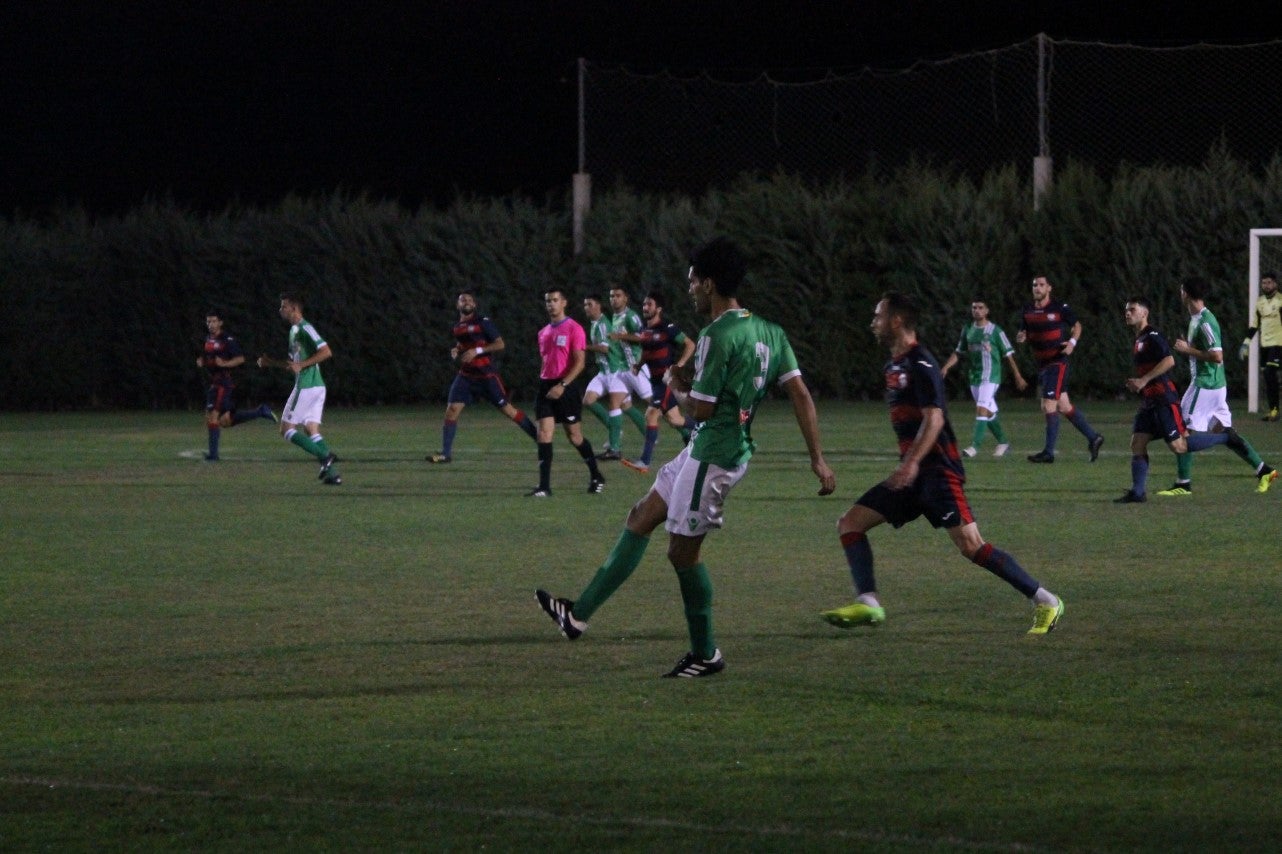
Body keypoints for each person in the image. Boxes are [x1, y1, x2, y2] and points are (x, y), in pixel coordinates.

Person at [535, 237, 836, 678]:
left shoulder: (717, 334)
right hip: (708, 448)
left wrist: (675, 384)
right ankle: (577, 615)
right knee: (641, 516)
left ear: (710, 283)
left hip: (715, 453)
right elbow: (801, 395)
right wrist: (818, 459)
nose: (690, 288)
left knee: (682, 554)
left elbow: (702, 408)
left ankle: (705, 653)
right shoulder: (770, 331)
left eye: (693, 281)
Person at [820, 292, 1064, 636]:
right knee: (849, 524)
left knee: (971, 546)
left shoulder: (921, 363)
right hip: (912, 476)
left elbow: (934, 419)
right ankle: (869, 602)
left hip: (937, 472)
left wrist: (912, 463)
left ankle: (1046, 601)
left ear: (896, 321)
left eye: (878, 316)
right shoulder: (893, 365)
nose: (873, 322)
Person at [1160, 277, 1277, 495]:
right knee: (1227, 432)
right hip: (1214, 385)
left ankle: (1183, 484)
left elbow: (1217, 356)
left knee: (1184, 431)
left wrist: (1188, 350)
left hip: (1205, 386)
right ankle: (1264, 470)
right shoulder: (1196, 318)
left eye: (1181, 290)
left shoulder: (1205, 321)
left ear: (1186, 293)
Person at [425, 290, 537, 463]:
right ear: (458, 305)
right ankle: (446, 454)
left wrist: (476, 351)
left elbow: (500, 344)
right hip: (466, 376)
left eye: (469, 299)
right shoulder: (457, 327)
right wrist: (457, 349)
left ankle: (541, 441)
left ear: (474, 305)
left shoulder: (483, 322)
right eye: (463, 300)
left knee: (509, 411)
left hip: (487, 376)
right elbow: (464, 344)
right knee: (451, 411)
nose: (466, 302)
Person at [256, 292, 343, 485]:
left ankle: (325, 456)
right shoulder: (294, 331)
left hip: (307, 386)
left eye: (283, 306)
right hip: (314, 386)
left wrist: (302, 366)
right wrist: (270, 363)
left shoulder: (305, 328)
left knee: (286, 429)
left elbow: (326, 351)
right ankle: (333, 475)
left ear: (294, 308)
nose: (280, 310)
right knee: (311, 429)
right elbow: (294, 364)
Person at [1017, 275, 1105, 463]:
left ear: (1049, 288)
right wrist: (1022, 336)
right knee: (1064, 406)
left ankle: (1049, 453)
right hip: (1042, 364)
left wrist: (1072, 342)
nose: (1037, 288)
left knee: (1048, 405)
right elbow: (1024, 330)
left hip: (1057, 362)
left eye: (1041, 285)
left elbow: (1077, 326)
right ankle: (1093, 437)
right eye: (1034, 285)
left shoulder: (1059, 308)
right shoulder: (1027, 310)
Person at [528, 287, 606, 497]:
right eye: (548, 301)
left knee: (574, 436)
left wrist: (562, 386)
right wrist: (548, 383)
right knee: (544, 434)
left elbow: (580, 363)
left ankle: (596, 475)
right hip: (546, 386)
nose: (551, 304)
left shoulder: (574, 328)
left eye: (554, 300)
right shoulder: (543, 332)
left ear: (564, 303)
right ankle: (544, 486)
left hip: (566, 387)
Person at [613, 290, 697, 473]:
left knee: (651, 414)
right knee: (675, 420)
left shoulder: (667, 328)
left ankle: (645, 462)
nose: (645, 307)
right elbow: (647, 350)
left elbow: (690, 344)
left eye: (649, 304)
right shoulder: (645, 330)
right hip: (655, 381)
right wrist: (639, 364)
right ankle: (702, 430)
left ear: (658, 308)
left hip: (666, 380)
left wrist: (679, 364)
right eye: (644, 304)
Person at [1113, 298, 1188, 504]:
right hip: (1149, 400)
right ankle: (1138, 493)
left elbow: (1170, 360)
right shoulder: (1139, 338)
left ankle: (1225, 438)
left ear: (1144, 313)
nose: (1127, 313)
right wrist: (1139, 382)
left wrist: (1144, 380)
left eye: (1132, 310)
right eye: (1126, 310)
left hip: (1163, 398)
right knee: (1137, 443)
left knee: (1179, 447)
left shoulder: (1153, 335)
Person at [940, 299, 1027, 457]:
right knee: (988, 411)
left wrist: (1018, 375)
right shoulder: (968, 329)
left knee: (981, 408)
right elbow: (958, 352)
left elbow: (1008, 355)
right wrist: (946, 367)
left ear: (987, 311)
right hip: (975, 377)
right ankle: (1003, 442)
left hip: (991, 376)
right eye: (974, 308)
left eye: (980, 308)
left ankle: (974, 447)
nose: (977, 310)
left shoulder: (995, 331)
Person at [197, 311, 276, 461]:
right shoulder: (208, 339)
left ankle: (213, 456)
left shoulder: (227, 339)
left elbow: (240, 359)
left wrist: (225, 363)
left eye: (214, 321)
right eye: (208, 322)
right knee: (224, 421)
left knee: (213, 417)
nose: (210, 324)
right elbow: (209, 358)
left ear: (220, 323)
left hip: (223, 383)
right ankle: (260, 411)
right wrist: (202, 361)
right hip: (214, 382)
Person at [581, 293, 647, 457]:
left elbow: (604, 348)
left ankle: (621, 440)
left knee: (624, 405)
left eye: (589, 304)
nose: (586, 308)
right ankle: (617, 431)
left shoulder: (604, 324)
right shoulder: (595, 323)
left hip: (613, 371)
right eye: (585, 305)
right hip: (603, 372)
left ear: (598, 306)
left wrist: (583, 346)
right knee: (589, 400)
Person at [1239, 271, 1282, 421]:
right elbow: (1254, 325)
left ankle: (1275, 410)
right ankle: (1273, 411)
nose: (1266, 285)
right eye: (1264, 283)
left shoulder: (1280, 301)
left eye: (1269, 282)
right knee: (1269, 379)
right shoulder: (1260, 302)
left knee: (1271, 374)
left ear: (1275, 284)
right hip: (1265, 346)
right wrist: (1246, 343)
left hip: (1278, 344)